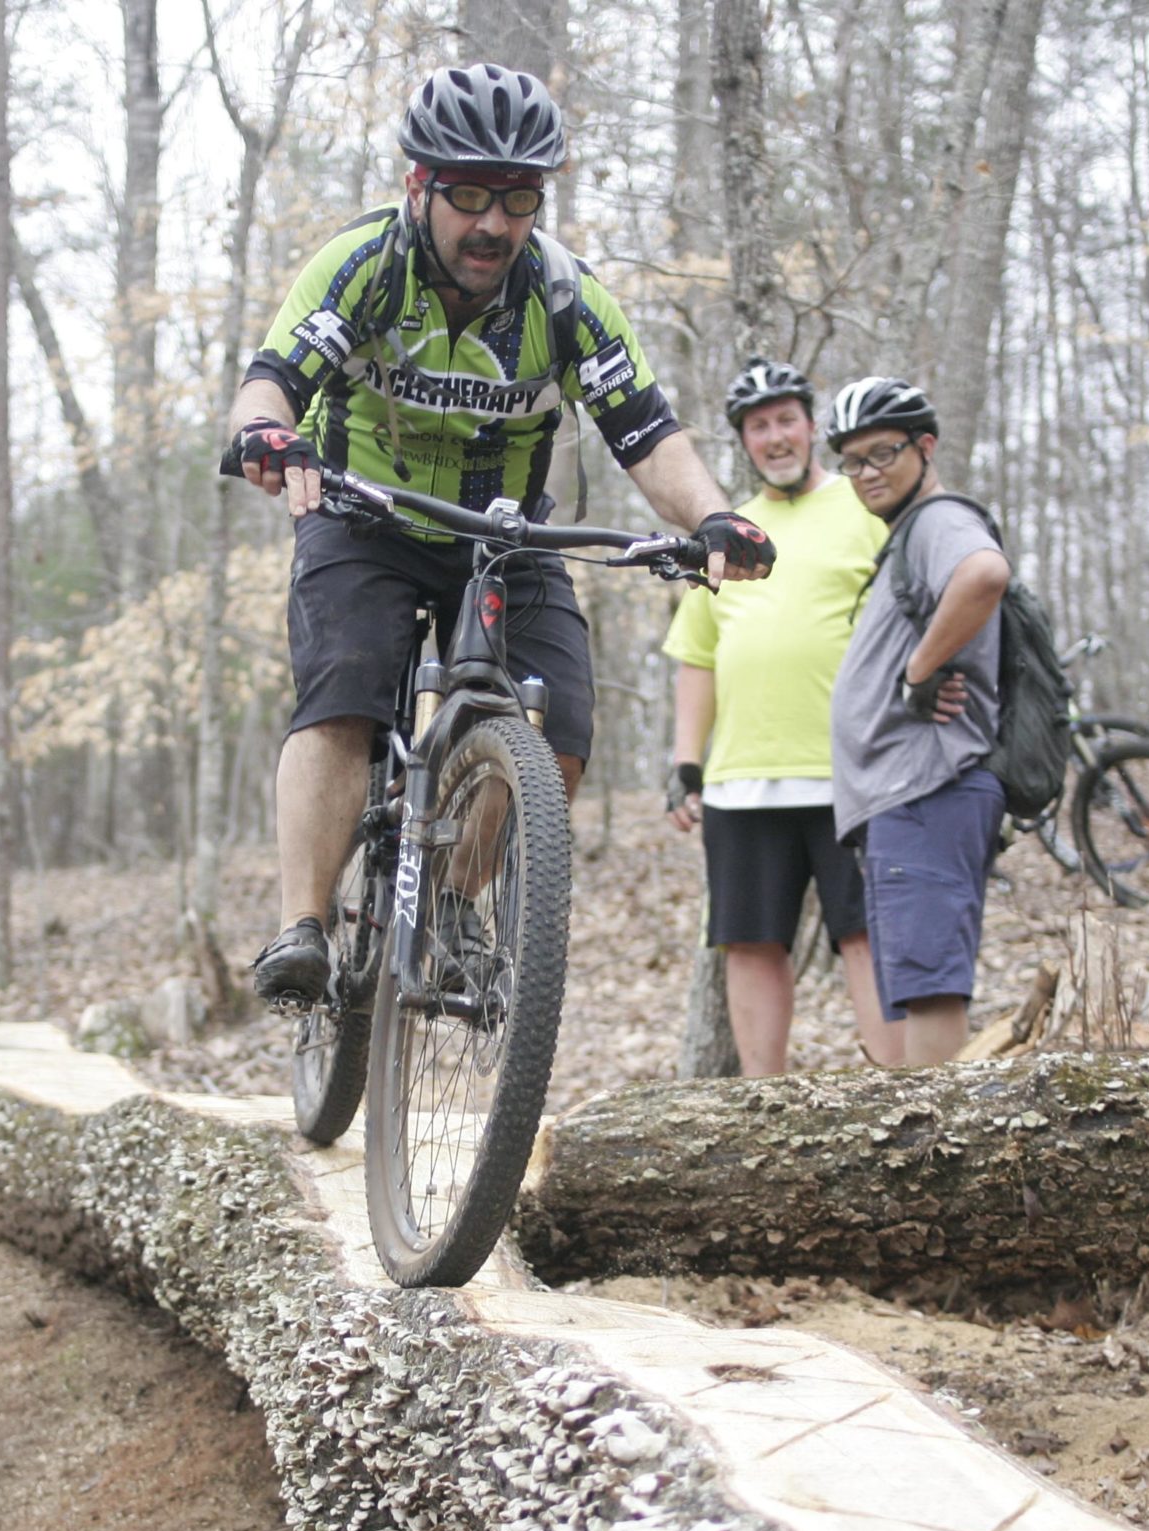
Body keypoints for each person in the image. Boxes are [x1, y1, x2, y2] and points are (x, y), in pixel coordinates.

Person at [223, 61, 777, 1006]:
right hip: (364, 517)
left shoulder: (564, 296)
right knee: (344, 692)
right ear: (419, 187)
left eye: (517, 199)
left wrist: (717, 516)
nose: (493, 224)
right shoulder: (362, 267)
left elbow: (647, 434)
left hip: (502, 533)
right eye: (470, 195)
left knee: (559, 723)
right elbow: (272, 377)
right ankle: (303, 927)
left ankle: (442, 907)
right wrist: (263, 433)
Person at [662, 356, 923, 1071]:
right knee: (749, 940)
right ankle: (762, 1104)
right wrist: (687, 762)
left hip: (857, 772)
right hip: (743, 777)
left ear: (810, 426)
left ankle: (896, 1096)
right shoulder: (732, 530)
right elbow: (697, 653)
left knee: (867, 933)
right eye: (757, 427)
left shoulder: (864, 505)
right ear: (744, 442)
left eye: (785, 420)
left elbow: (915, 615)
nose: (774, 437)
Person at [824, 378, 1011, 1067]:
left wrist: (917, 671)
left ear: (924, 447)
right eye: (852, 461)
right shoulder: (908, 535)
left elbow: (984, 574)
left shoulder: (938, 521)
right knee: (914, 985)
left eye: (883, 454)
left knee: (931, 988)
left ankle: (931, 1154)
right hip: (903, 797)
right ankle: (916, 1141)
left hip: (928, 788)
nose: (867, 473)